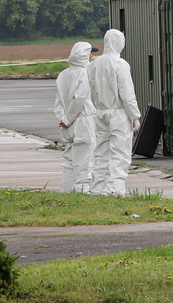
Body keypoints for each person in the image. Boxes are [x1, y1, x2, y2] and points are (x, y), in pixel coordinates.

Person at [88, 29, 142, 196]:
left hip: (100, 112)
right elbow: (127, 93)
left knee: (101, 152)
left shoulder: (94, 65)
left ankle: (98, 187)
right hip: (118, 113)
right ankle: (115, 189)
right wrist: (134, 116)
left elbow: (91, 90)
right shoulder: (120, 64)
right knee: (120, 152)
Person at [54, 42, 97, 193]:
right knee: (85, 157)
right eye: (90, 53)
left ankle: (66, 188)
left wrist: (63, 119)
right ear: (85, 55)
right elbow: (80, 99)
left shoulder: (63, 74)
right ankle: (81, 189)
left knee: (69, 158)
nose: (92, 56)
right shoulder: (86, 73)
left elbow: (58, 101)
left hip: (67, 122)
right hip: (83, 120)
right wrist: (68, 120)